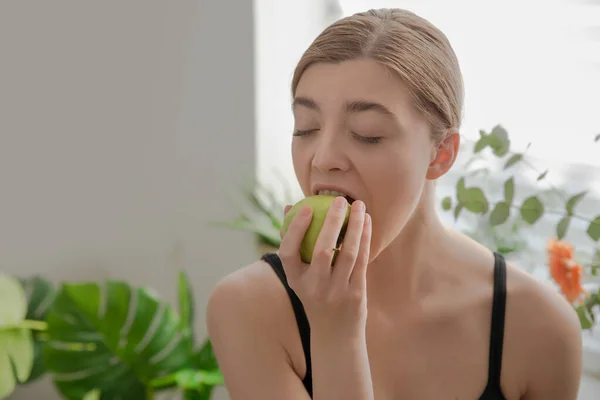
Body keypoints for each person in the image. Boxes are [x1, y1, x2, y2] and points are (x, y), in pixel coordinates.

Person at [206, 8, 582, 400]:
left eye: (368, 134)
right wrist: (336, 334)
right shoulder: (247, 309)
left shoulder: (540, 329)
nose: (322, 157)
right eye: (307, 128)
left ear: (441, 154)